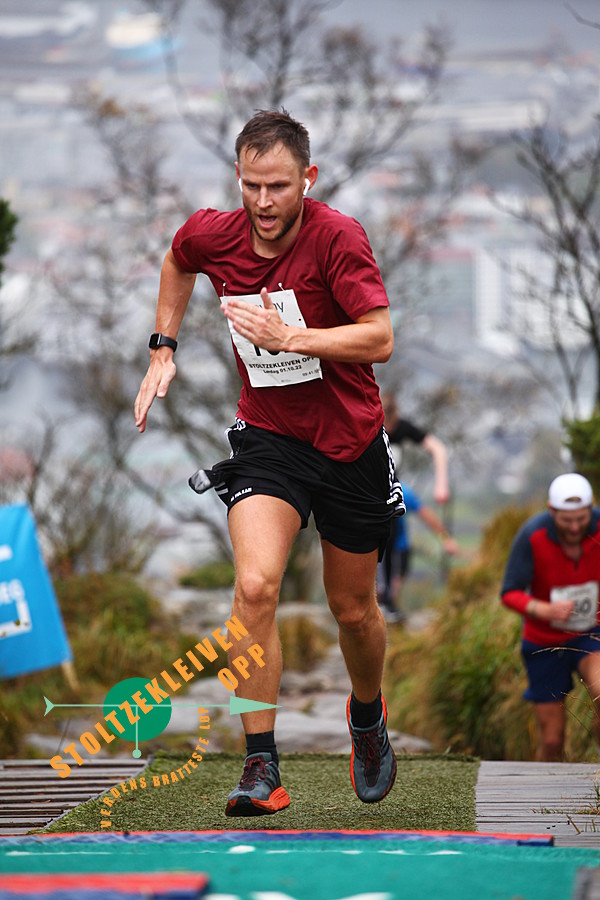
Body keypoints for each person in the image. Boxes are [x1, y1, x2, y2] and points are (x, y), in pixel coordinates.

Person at [134, 109, 404, 817]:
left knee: (353, 610)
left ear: (307, 179)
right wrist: (163, 347)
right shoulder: (214, 234)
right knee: (254, 588)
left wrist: (292, 337)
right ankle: (261, 764)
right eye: (251, 185)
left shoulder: (338, 237)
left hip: (349, 444)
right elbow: (178, 259)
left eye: (278, 186)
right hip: (269, 439)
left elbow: (379, 338)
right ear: (237, 176)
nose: (263, 201)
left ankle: (367, 716)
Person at [501, 473, 600, 761]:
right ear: (552, 510)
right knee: (552, 739)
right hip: (543, 642)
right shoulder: (531, 535)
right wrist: (545, 610)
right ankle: (545, 784)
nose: (574, 527)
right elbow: (509, 592)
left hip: (591, 635)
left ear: (590, 508)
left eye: (581, 519)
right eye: (567, 520)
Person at [377, 392, 451, 619]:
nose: (388, 430)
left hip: (389, 498)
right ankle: (380, 599)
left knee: (393, 546)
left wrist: (441, 484)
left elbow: (438, 448)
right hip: (369, 494)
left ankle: (388, 602)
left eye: (390, 426)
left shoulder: (401, 427)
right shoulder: (367, 425)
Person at [377, 483, 460, 623]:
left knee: (393, 583)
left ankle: (389, 610)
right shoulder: (388, 491)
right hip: (380, 548)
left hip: (398, 547)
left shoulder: (402, 492)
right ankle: (385, 610)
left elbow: (426, 515)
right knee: (382, 584)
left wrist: (445, 539)